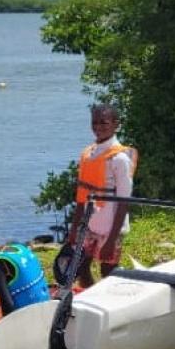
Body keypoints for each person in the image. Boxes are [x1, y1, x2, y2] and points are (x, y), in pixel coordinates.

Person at [68, 104, 137, 287]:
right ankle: (90, 297)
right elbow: (82, 196)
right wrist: (75, 228)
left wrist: (112, 239)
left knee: (108, 271)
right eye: (95, 122)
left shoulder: (120, 159)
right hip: (90, 224)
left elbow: (123, 202)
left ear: (116, 125)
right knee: (81, 266)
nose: (98, 127)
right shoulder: (88, 154)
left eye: (104, 123)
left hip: (110, 228)